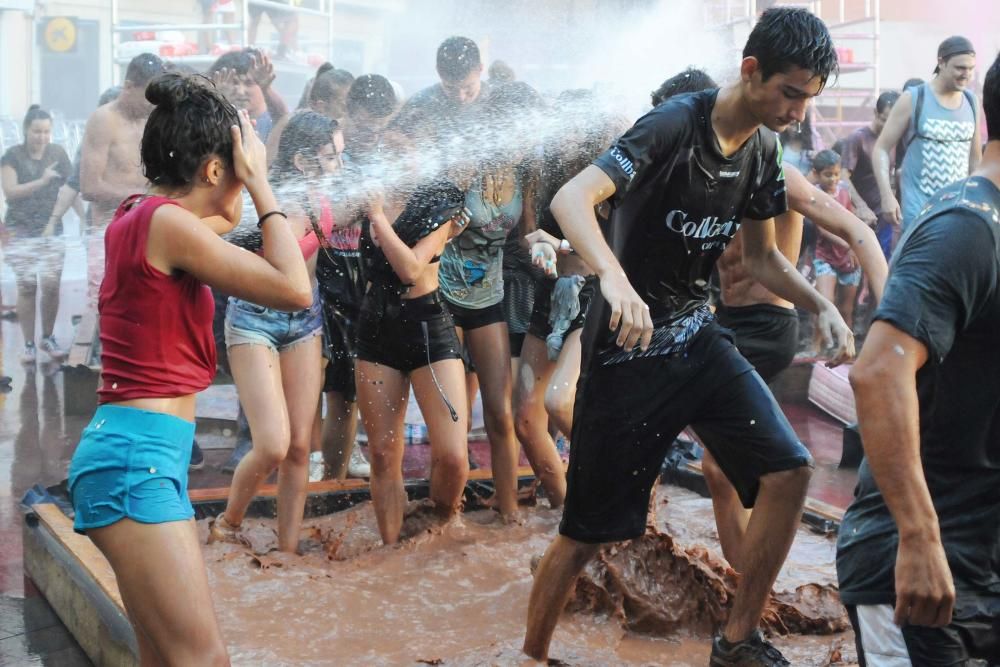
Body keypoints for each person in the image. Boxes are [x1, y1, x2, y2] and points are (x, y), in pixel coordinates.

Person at [522, 9, 854, 665]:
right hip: (625, 354)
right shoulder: (675, 123)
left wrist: (819, 303)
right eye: (790, 93)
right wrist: (614, 281)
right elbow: (571, 199)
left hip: (698, 337)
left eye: (809, 99)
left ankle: (736, 638)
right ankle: (530, 654)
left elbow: (761, 259)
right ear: (751, 70)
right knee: (585, 533)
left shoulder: (762, 150)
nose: (797, 111)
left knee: (790, 471)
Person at [67, 72, 312, 665]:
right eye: (235, 165)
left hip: (131, 455)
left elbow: (221, 225)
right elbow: (293, 288)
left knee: (163, 659)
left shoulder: (138, 216)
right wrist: (262, 185)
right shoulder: (169, 226)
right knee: (205, 660)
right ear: (213, 171)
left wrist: (248, 174)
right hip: (136, 463)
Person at [836, 50, 1000, 666]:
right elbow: (878, 373)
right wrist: (920, 537)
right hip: (920, 570)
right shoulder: (967, 228)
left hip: (984, 556)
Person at [210, 111, 341, 553]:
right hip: (253, 321)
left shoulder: (326, 194)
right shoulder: (266, 201)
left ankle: (287, 551)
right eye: (330, 156)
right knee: (271, 444)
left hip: (306, 322)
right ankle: (226, 524)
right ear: (303, 161)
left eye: (340, 154)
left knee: (301, 447)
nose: (339, 165)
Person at [355, 134, 471, 544]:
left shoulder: (440, 204)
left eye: (406, 151)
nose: (397, 159)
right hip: (376, 328)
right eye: (388, 151)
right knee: (384, 454)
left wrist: (378, 217)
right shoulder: (363, 196)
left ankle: (438, 525)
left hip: (428, 328)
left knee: (454, 456)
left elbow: (410, 269)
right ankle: (391, 551)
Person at [438, 83, 544, 521]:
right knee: (452, 420)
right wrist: (451, 219)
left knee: (500, 414)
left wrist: (548, 250)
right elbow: (428, 230)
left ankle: (510, 515)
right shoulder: (465, 165)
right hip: (443, 296)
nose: (528, 140)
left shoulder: (526, 173)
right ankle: (448, 515)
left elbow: (529, 234)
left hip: (490, 299)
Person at [80, 53, 165, 313]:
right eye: (148, 96)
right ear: (129, 87)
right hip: (109, 233)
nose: (153, 104)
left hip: (150, 233)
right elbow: (90, 187)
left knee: (147, 308)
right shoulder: (104, 119)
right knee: (106, 308)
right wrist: (145, 198)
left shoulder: (155, 119)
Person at [874, 36, 981, 231]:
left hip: (957, 209)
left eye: (971, 69)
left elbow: (975, 161)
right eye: (960, 68)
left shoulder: (971, 101)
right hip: (919, 210)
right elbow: (881, 148)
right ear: (941, 62)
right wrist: (887, 196)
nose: (966, 74)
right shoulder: (914, 98)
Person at [0, 105, 73, 364]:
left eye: (46, 131)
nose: (41, 137)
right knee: (28, 286)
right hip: (20, 229)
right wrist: (42, 181)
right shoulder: (12, 156)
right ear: (25, 130)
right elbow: (10, 192)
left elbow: (70, 187)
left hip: (51, 229)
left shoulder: (58, 153)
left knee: (52, 286)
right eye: (36, 131)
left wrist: (84, 219)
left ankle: (48, 337)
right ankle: (29, 344)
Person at [808, 149, 863, 344]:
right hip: (826, 256)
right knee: (824, 303)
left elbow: (851, 219)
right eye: (827, 174)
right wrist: (849, 245)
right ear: (816, 173)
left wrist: (855, 247)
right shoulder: (814, 195)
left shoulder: (844, 191)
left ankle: (846, 347)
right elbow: (823, 230)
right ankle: (815, 347)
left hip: (849, 258)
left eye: (836, 174)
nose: (833, 179)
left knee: (846, 309)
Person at [840, 90, 901, 259]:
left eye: (893, 121)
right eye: (884, 120)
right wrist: (861, 206)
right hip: (863, 217)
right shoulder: (857, 138)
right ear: (876, 113)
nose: (889, 126)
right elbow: (843, 177)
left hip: (885, 216)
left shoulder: (895, 139)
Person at [267, 63, 354, 164]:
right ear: (321, 107)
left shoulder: (350, 129)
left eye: (353, 106)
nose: (349, 114)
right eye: (344, 107)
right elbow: (267, 168)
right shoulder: (292, 124)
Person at [207, 48, 288, 141]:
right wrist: (217, 100)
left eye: (249, 83)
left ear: (262, 83)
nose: (240, 91)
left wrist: (266, 89)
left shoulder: (271, 122)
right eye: (234, 83)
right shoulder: (218, 120)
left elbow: (284, 120)